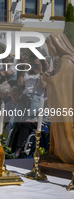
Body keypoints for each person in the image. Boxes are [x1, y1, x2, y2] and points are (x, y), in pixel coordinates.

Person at [44, 32, 74, 164]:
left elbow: (58, 85)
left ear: (57, 44)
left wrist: (48, 79)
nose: (49, 49)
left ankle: (65, 151)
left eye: (49, 46)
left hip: (64, 105)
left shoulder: (65, 61)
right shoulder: (68, 59)